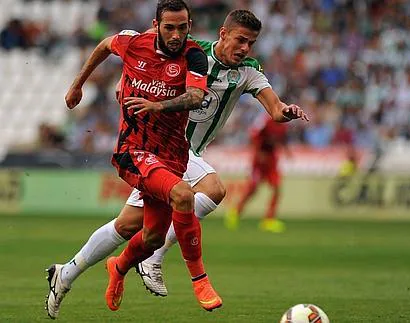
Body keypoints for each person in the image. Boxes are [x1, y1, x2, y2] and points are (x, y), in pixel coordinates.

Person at [45, 7, 308, 319]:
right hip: (158, 149)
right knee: (213, 189)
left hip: (180, 156)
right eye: (240, 40)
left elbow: (275, 109)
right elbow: (142, 57)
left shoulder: (249, 72)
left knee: (129, 226)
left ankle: (71, 272)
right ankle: (157, 260)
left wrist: (286, 111)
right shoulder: (190, 51)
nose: (245, 48)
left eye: (251, 43)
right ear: (223, 34)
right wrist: (123, 81)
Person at [47, 0, 214, 318]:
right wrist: (77, 85)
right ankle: (199, 279)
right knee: (185, 194)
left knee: (149, 236)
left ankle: (101, 269)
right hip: (133, 152)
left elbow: (196, 96)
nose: (176, 34)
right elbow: (105, 44)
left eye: (182, 27)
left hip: (171, 156)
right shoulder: (134, 43)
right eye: (169, 28)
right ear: (156, 25)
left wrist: (158, 106)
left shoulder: (193, 56)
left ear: (189, 26)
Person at [224, 114, 290, 233]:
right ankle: (235, 212)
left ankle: (269, 220)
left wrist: (287, 151)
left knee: (277, 188)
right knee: (253, 189)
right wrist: (258, 153)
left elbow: (282, 139)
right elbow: (254, 135)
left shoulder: (284, 126)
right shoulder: (265, 121)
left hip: (271, 160)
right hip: (259, 161)